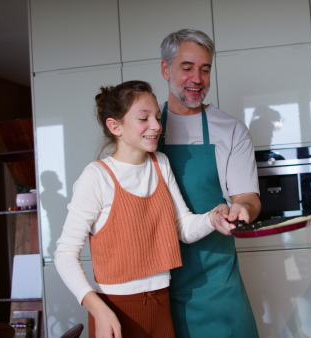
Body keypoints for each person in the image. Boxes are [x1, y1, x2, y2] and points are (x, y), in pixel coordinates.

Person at [54, 80, 234, 338]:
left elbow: (181, 228)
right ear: (115, 126)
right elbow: (65, 253)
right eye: (144, 118)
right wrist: (99, 310)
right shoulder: (97, 177)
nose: (156, 126)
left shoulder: (160, 163)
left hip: (161, 302)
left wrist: (213, 217)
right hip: (116, 309)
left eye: (157, 117)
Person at [159, 29, 261, 337]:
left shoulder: (230, 130)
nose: (197, 78)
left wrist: (241, 207)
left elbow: (249, 198)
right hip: (157, 285)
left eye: (205, 69)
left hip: (217, 283)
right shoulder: (146, 130)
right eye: (187, 68)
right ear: (166, 69)